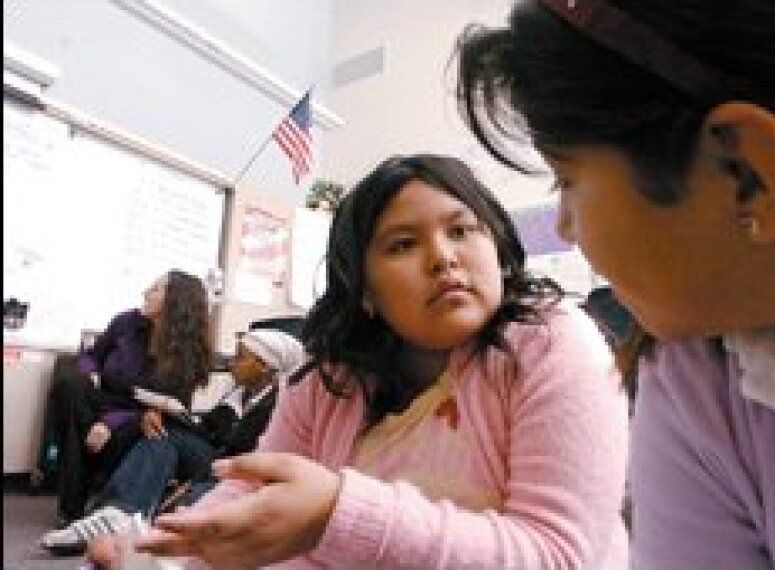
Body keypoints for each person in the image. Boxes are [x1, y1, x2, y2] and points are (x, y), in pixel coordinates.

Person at [88, 154, 629, 569]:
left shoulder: (552, 342)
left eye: (462, 230)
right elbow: (254, 489)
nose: (443, 256)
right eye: (402, 245)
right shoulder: (328, 379)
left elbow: (560, 556)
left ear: (500, 253)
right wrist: (170, 549)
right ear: (364, 291)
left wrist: (337, 513)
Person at [454, 1, 775, 568]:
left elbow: (552, 546)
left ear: (749, 175)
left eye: (567, 180)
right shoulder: (695, 378)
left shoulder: (555, 343)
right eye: (398, 244)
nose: (563, 225)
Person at [39, 329, 305, 556]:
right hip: (214, 458)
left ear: (263, 366)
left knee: (181, 508)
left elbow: (247, 455)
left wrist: (192, 480)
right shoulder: (236, 395)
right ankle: (116, 513)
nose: (232, 362)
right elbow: (208, 431)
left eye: (240, 357)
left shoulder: (279, 405)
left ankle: (124, 523)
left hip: (235, 472)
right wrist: (167, 413)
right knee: (162, 434)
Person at [45, 269, 213, 522]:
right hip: (101, 401)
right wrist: (90, 372)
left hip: (137, 419)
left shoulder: (185, 356)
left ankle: (74, 510)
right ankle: (73, 508)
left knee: (131, 427)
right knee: (71, 386)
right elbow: (91, 355)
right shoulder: (126, 323)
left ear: (175, 302)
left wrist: (109, 423)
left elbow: (166, 410)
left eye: (156, 288)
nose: (146, 291)